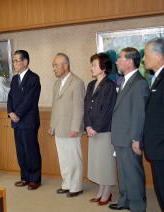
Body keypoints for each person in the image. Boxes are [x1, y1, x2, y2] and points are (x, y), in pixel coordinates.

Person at [109, 47, 148, 211]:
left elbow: (139, 114)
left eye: (120, 58)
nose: (117, 61)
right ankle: (125, 200)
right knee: (124, 174)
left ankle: (137, 206)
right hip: (120, 136)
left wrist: (136, 139)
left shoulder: (139, 83)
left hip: (130, 138)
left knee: (133, 175)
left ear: (130, 62)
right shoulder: (125, 80)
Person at [49, 53, 85, 197]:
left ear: (65, 65)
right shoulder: (57, 83)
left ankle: (76, 187)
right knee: (63, 159)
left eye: (56, 65)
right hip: (59, 127)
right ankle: (67, 184)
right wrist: (52, 125)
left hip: (71, 129)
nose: (54, 68)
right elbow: (55, 106)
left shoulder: (77, 82)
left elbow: (79, 107)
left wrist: (75, 128)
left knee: (74, 158)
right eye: (54, 65)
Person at [84, 53, 117, 205]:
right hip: (92, 130)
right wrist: (88, 125)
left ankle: (107, 192)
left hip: (103, 131)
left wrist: (95, 128)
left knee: (105, 163)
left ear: (103, 68)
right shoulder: (91, 85)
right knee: (97, 162)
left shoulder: (109, 85)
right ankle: (101, 190)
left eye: (94, 65)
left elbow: (107, 111)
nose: (92, 68)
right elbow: (86, 107)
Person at [7, 50, 42, 190]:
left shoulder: (34, 78)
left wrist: (18, 113)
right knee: (21, 151)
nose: (14, 63)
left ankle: (35, 179)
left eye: (16, 60)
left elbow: (30, 100)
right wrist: (10, 112)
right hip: (16, 121)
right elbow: (10, 97)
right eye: (13, 60)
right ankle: (25, 177)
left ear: (25, 62)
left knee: (31, 150)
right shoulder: (14, 79)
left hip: (28, 121)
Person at [143, 37, 164, 211]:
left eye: (147, 54)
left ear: (160, 56)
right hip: (156, 146)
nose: (143, 58)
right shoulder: (156, 77)